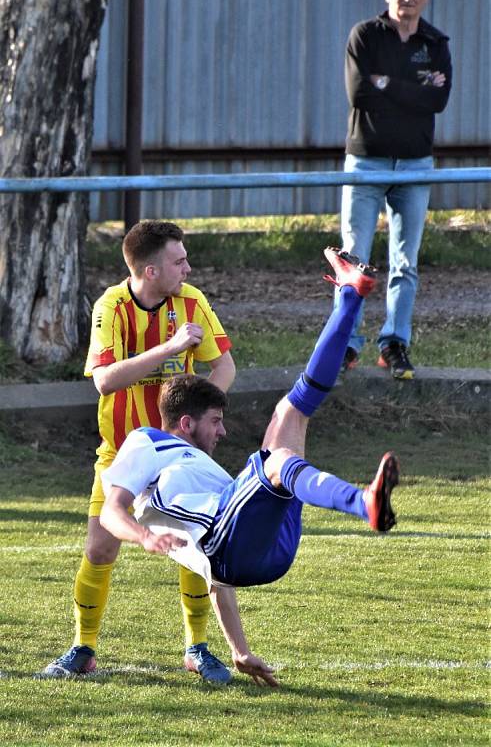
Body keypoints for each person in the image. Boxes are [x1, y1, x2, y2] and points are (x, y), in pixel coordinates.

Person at [99, 247, 399, 687]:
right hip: (232, 549)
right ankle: (364, 503)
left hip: (256, 550)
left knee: (293, 411)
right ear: (184, 423)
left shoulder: (208, 472)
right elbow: (111, 511)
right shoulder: (147, 442)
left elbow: (219, 581)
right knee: (277, 460)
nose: (222, 432)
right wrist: (144, 535)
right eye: (215, 421)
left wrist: (239, 650)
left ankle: (349, 297)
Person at [41, 220, 236, 684]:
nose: (187, 267)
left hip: (179, 457)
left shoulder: (192, 301)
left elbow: (223, 364)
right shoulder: (110, 307)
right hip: (122, 454)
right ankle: (83, 648)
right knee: (100, 548)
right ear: (150, 271)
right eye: (178, 261)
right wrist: (169, 349)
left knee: (196, 550)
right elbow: (105, 380)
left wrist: (202, 413)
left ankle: (198, 648)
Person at [336, 0, 452, 379]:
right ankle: (343, 346)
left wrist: (388, 84)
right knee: (354, 259)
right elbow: (359, 92)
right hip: (366, 160)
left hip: (415, 164)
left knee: (405, 262)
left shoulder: (436, 43)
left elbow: (437, 101)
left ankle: (395, 343)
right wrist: (414, 88)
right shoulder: (364, 36)